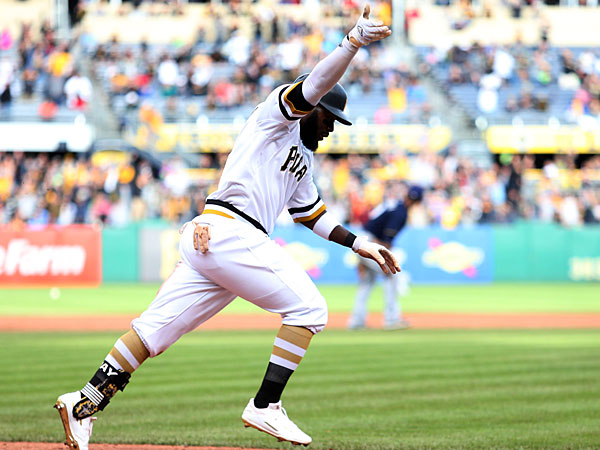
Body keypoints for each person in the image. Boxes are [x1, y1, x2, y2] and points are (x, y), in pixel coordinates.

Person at [55, 5, 394, 449]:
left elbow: (312, 215)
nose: (332, 128)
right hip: (232, 230)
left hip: (216, 238)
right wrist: (352, 42)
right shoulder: (274, 120)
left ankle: (83, 403)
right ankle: (265, 406)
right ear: (313, 110)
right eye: (330, 118)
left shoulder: (304, 160)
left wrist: (358, 243)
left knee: (152, 332)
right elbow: (314, 86)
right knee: (310, 309)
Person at [348, 184, 423, 331]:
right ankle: (391, 318)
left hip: (361, 240)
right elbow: (385, 241)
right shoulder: (401, 213)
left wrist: (361, 259)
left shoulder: (394, 205)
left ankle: (356, 321)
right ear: (419, 202)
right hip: (370, 242)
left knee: (366, 282)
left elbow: (370, 227)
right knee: (392, 274)